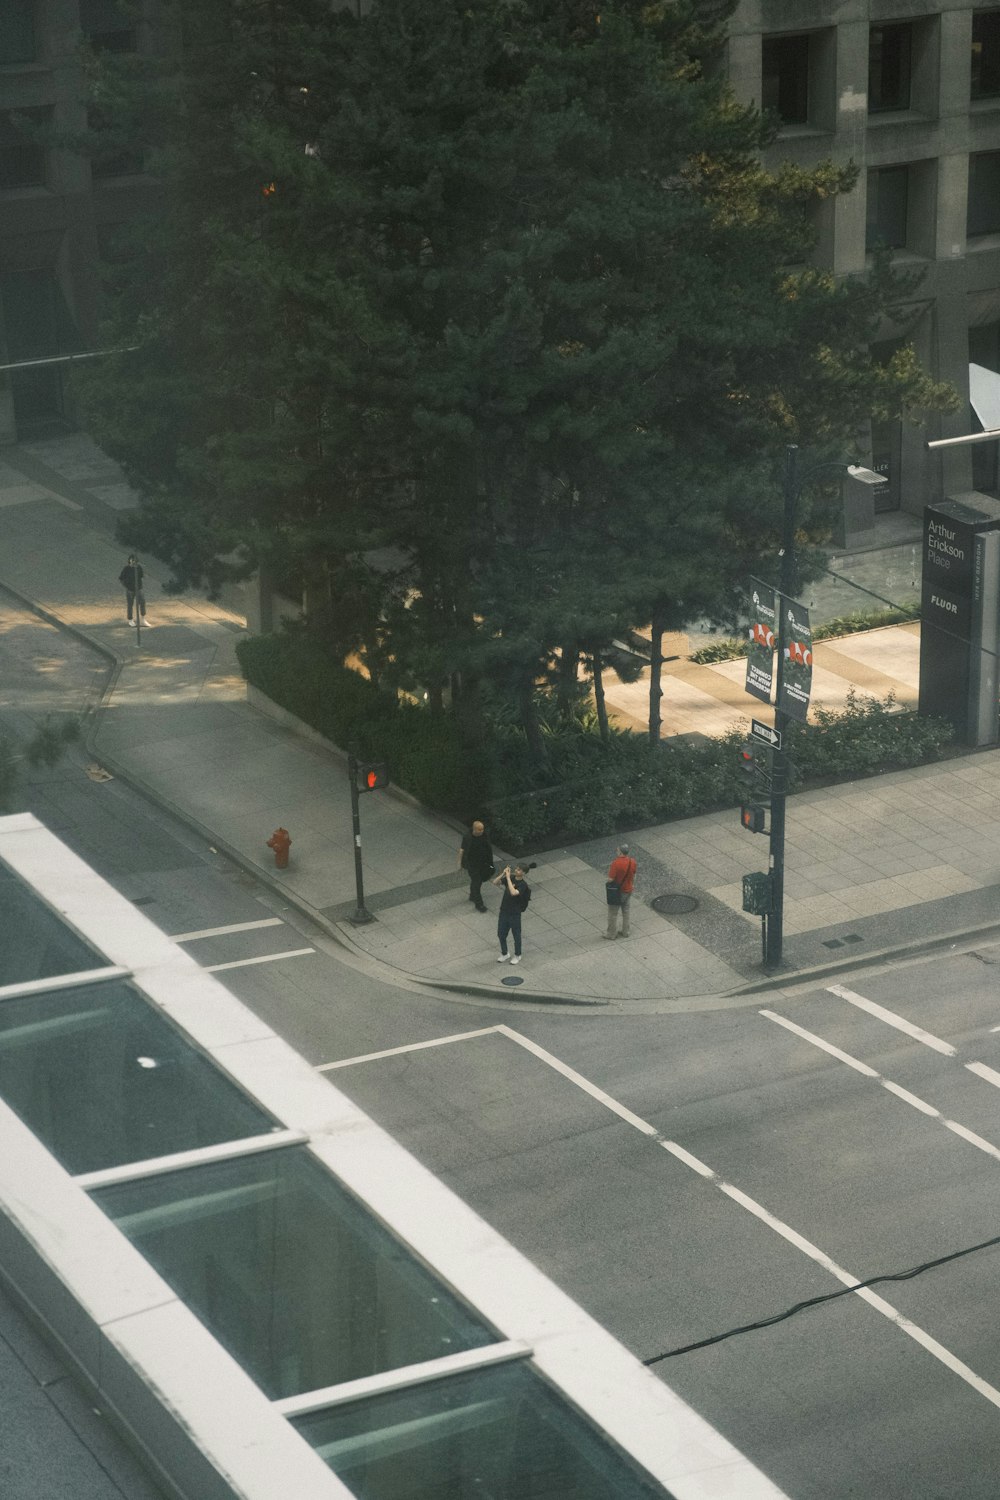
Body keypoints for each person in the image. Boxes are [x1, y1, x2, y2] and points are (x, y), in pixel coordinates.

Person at [494, 864, 530, 965]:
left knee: (516, 935)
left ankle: (518, 955)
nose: (516, 870)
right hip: (504, 911)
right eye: (517, 869)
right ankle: (505, 953)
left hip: (514, 913)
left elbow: (513, 892)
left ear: (524, 873)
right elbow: (495, 882)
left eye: (519, 870)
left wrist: (508, 878)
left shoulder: (523, 885)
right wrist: (503, 874)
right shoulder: (511, 878)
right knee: (501, 934)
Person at [458, 819, 493, 912]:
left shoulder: (485, 835)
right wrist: (460, 863)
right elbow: (462, 850)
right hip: (472, 864)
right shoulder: (467, 837)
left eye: (482, 829)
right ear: (474, 829)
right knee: (477, 882)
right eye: (479, 830)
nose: (481, 831)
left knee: (478, 881)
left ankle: (473, 895)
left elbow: (488, 847)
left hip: (483, 863)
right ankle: (479, 903)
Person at [605, 842, 637, 939]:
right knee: (626, 911)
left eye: (617, 850)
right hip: (629, 889)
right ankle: (625, 932)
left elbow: (610, 879)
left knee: (613, 913)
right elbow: (634, 875)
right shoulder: (632, 861)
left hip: (618, 892)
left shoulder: (616, 863)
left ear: (620, 852)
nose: (616, 851)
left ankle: (611, 934)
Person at [119, 554, 147, 625]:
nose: (133, 562)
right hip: (130, 590)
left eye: (135, 560)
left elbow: (141, 577)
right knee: (130, 605)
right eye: (132, 560)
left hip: (139, 589)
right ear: (130, 561)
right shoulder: (126, 569)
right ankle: (130, 620)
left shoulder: (139, 568)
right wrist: (126, 586)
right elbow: (121, 578)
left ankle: (143, 619)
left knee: (142, 602)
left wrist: (140, 585)